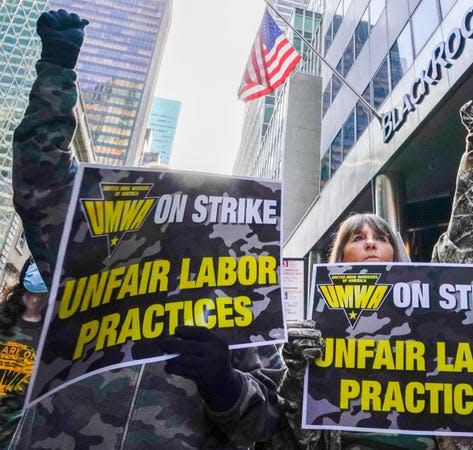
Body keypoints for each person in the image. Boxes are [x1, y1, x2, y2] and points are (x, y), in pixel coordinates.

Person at [10, 10, 280, 448]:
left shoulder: (239, 297)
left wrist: (227, 386)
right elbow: (40, 182)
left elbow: (268, 427)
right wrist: (57, 72)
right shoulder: (84, 259)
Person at [270, 102, 473, 449]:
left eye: (380, 237)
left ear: (396, 253)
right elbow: (296, 434)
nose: (370, 244)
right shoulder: (319, 328)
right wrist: (297, 373)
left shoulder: (428, 301)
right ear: (340, 256)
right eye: (358, 238)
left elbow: (466, 242)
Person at [0, 261, 47, 446]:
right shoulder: (3, 320)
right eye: (30, 293)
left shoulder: (54, 337)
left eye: (42, 295)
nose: (35, 300)